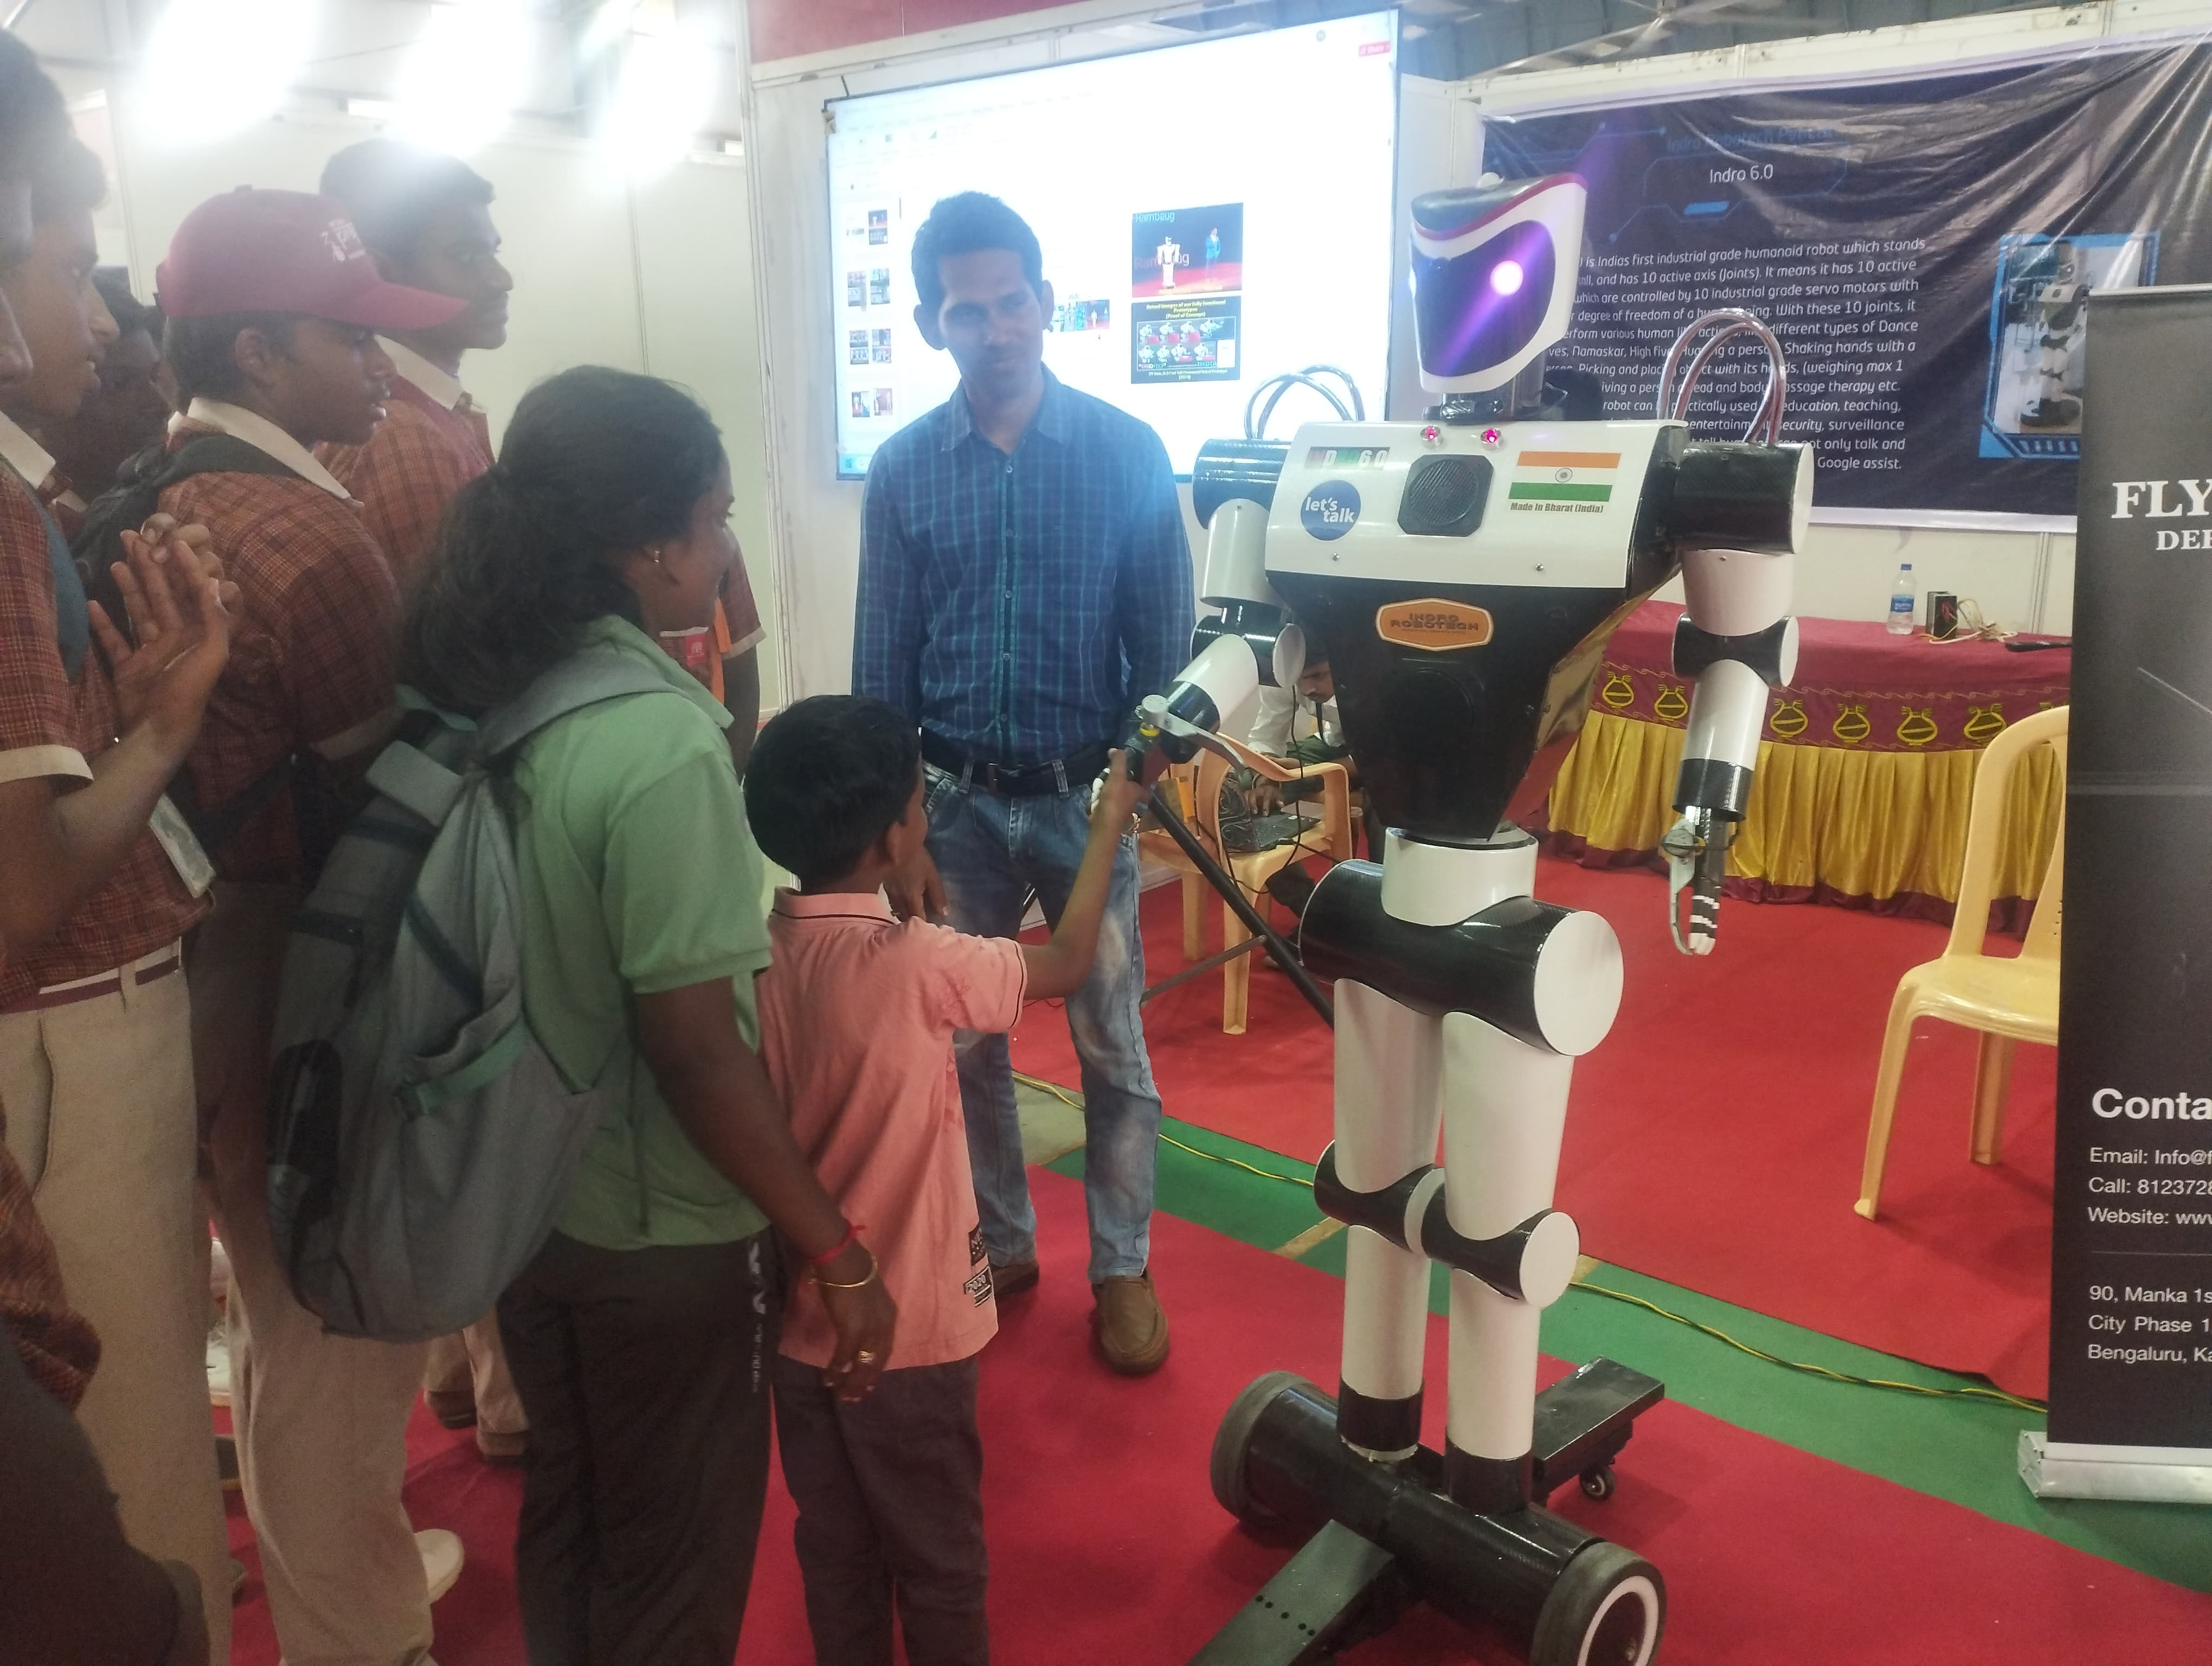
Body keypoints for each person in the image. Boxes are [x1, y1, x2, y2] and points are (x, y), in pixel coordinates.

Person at [400, 364, 895, 1665]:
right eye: (717, 517)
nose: (725, 546)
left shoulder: (504, 693)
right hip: (661, 1238)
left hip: (531, 1205)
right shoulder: (659, 744)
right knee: (675, 1560)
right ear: (650, 545)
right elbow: (692, 1047)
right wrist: (835, 1249)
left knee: (572, 1512)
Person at [151, 185, 474, 1665]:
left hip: (199, 956)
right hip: (307, 962)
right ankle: (363, 1631)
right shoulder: (310, 534)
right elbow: (387, 807)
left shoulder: (159, 484)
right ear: (261, 351)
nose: (377, 367)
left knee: (272, 1308)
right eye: (351, 338)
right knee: (339, 1320)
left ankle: (343, 1584)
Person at [854, 190, 1192, 1375]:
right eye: (967, 311)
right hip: (950, 805)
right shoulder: (903, 471)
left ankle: (1123, 1265)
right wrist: (897, 837)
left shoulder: (1126, 454)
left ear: (1047, 303)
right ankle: (1000, 1240)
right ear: (929, 324)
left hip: (1083, 805)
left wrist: (1135, 787)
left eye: (1013, 303)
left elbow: (1163, 656)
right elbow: (880, 673)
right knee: (965, 1044)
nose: (996, 329)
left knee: (1111, 1043)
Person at [745, 696, 1146, 1666]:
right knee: (941, 1561)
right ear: (894, 838)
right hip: (913, 1328)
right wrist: (1108, 822)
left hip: (800, 1330)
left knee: (834, 1548)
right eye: (921, 807)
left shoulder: (751, 958)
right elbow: (1066, 960)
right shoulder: (923, 964)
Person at [0, 40, 236, 1657]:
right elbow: (20, 884)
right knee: (139, 1451)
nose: (94, 318)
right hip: (68, 1030)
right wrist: (162, 730)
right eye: (63, 257)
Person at [312, 135, 532, 1464]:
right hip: (448, 821)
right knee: (475, 1080)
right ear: (386, 275)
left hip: (420, 817)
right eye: (468, 253)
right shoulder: (404, 440)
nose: (500, 274)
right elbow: (452, 668)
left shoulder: (443, 413)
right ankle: (502, 1387)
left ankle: (461, 1369)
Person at [31, 268, 170, 523]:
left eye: (155, 376)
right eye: (119, 384)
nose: (161, 405)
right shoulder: (30, 522)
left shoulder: (169, 503)